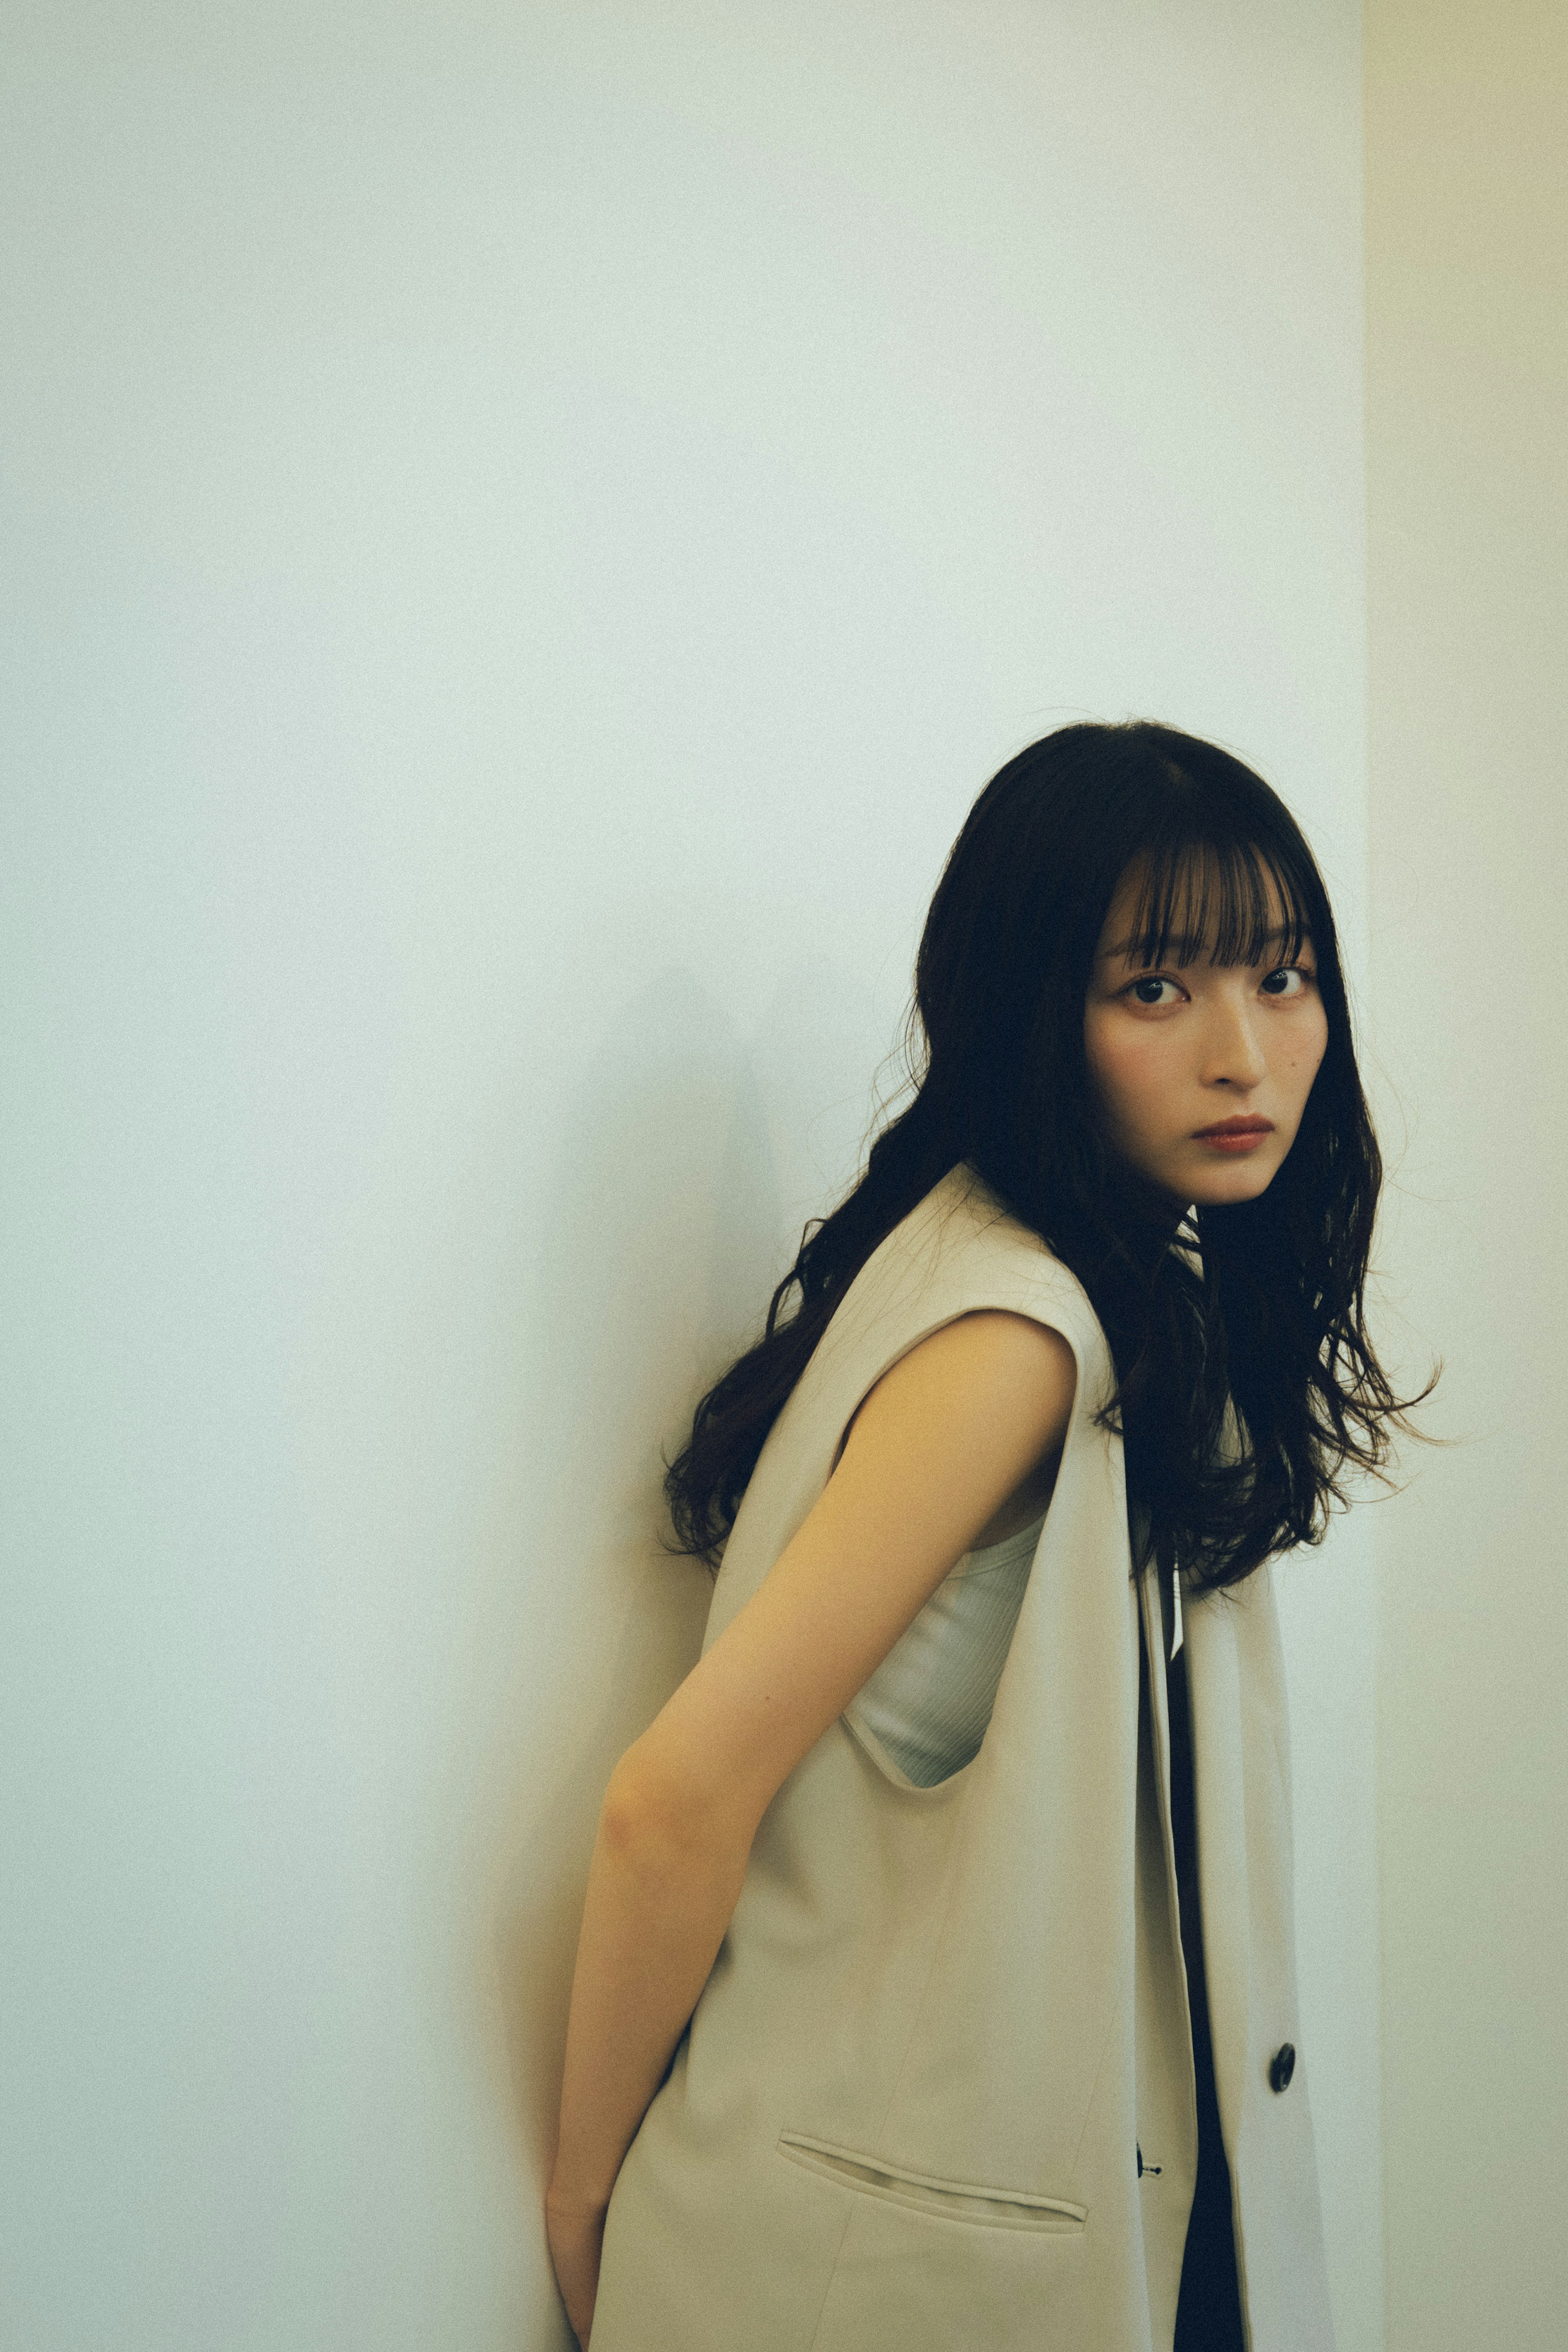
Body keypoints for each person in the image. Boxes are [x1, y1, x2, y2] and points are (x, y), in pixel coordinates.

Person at [544, 720, 1425, 2351]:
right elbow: (674, 1801)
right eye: (1154, 988)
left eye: (1284, 976)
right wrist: (583, 2198)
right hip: (871, 2269)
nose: (1245, 1051)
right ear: (1036, 1014)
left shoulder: (1086, 1277)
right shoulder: (1019, 1336)